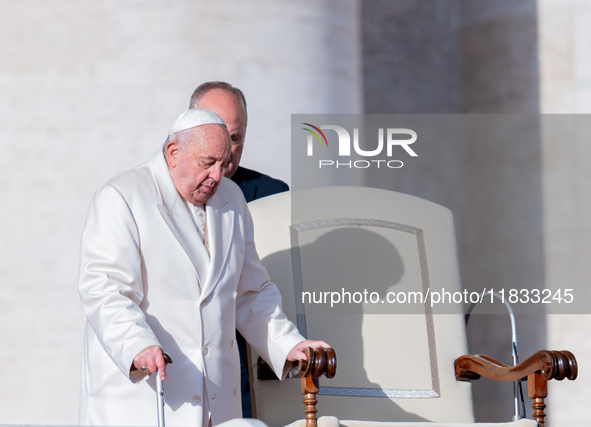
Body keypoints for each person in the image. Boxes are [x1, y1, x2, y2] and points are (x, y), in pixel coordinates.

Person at [78, 108, 328, 426]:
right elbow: (105, 289)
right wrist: (136, 344)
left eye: (223, 165)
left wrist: (289, 343)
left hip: (216, 402)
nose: (217, 176)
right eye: (207, 163)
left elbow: (251, 292)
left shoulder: (233, 199)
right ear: (173, 153)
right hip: (145, 397)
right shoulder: (121, 197)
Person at [189, 82, 289, 417]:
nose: (227, 151)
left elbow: (270, 286)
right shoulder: (146, 194)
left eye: (236, 138)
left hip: (253, 368)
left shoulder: (274, 196)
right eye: (218, 135)